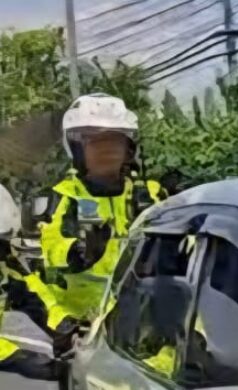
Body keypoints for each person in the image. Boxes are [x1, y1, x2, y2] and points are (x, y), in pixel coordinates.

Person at [39, 93, 165, 355]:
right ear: (76, 149)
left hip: (141, 320)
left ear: (128, 149)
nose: (106, 151)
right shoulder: (64, 197)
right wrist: (80, 252)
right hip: (81, 328)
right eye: (96, 143)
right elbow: (50, 252)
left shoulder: (150, 194)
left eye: (114, 143)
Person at [0, 183, 72, 381]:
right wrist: (21, 359)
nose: (4, 252)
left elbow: (32, 298)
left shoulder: (5, 266)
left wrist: (63, 328)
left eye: (3, 242)